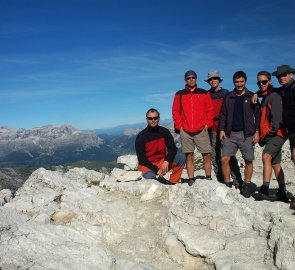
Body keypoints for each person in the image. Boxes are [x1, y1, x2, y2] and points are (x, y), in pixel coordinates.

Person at [219, 71, 260, 197]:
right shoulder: (229, 97)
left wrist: (257, 131)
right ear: (233, 82)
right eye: (237, 82)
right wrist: (221, 129)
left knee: (248, 160)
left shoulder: (252, 96)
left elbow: (258, 116)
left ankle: (246, 185)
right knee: (224, 159)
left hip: (246, 134)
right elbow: (223, 114)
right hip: (230, 134)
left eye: (241, 81)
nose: (239, 84)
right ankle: (227, 183)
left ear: (245, 82)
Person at [253, 71, 290, 203]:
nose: (261, 84)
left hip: (277, 134)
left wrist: (269, 134)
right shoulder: (266, 96)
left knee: (266, 156)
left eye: (264, 82)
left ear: (270, 81)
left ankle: (265, 189)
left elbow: (276, 119)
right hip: (273, 134)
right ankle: (282, 192)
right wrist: (256, 93)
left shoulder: (274, 96)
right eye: (259, 82)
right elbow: (263, 92)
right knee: (275, 163)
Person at [172, 70, 214, 186]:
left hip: (201, 129)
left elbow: (210, 110)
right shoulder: (179, 94)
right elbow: (176, 111)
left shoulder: (204, 93)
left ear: (196, 79)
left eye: (193, 77)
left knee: (206, 154)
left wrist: (207, 124)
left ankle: (208, 177)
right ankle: (191, 179)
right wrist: (179, 126)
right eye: (189, 78)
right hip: (185, 130)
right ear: (185, 80)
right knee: (189, 155)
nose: (191, 79)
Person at [205, 70, 242, 187]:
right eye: (211, 79)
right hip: (212, 129)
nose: (213, 81)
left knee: (228, 155)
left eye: (215, 78)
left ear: (219, 80)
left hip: (225, 128)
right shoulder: (206, 95)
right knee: (215, 155)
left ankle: (237, 181)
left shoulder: (227, 93)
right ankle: (221, 180)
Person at [135, 108, 185, 185]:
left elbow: (173, 148)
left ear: (159, 119)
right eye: (150, 118)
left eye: (155, 118)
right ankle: (158, 179)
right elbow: (141, 159)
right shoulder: (141, 136)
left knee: (181, 158)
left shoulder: (165, 132)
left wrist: (167, 160)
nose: (153, 120)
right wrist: (156, 170)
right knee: (151, 179)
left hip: (161, 161)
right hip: (147, 165)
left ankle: (173, 182)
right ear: (146, 119)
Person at [272, 65, 295, 209]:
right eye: (279, 76)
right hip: (292, 131)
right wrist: (256, 94)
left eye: (285, 74)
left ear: (291, 74)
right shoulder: (283, 90)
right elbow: (269, 91)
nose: (282, 77)